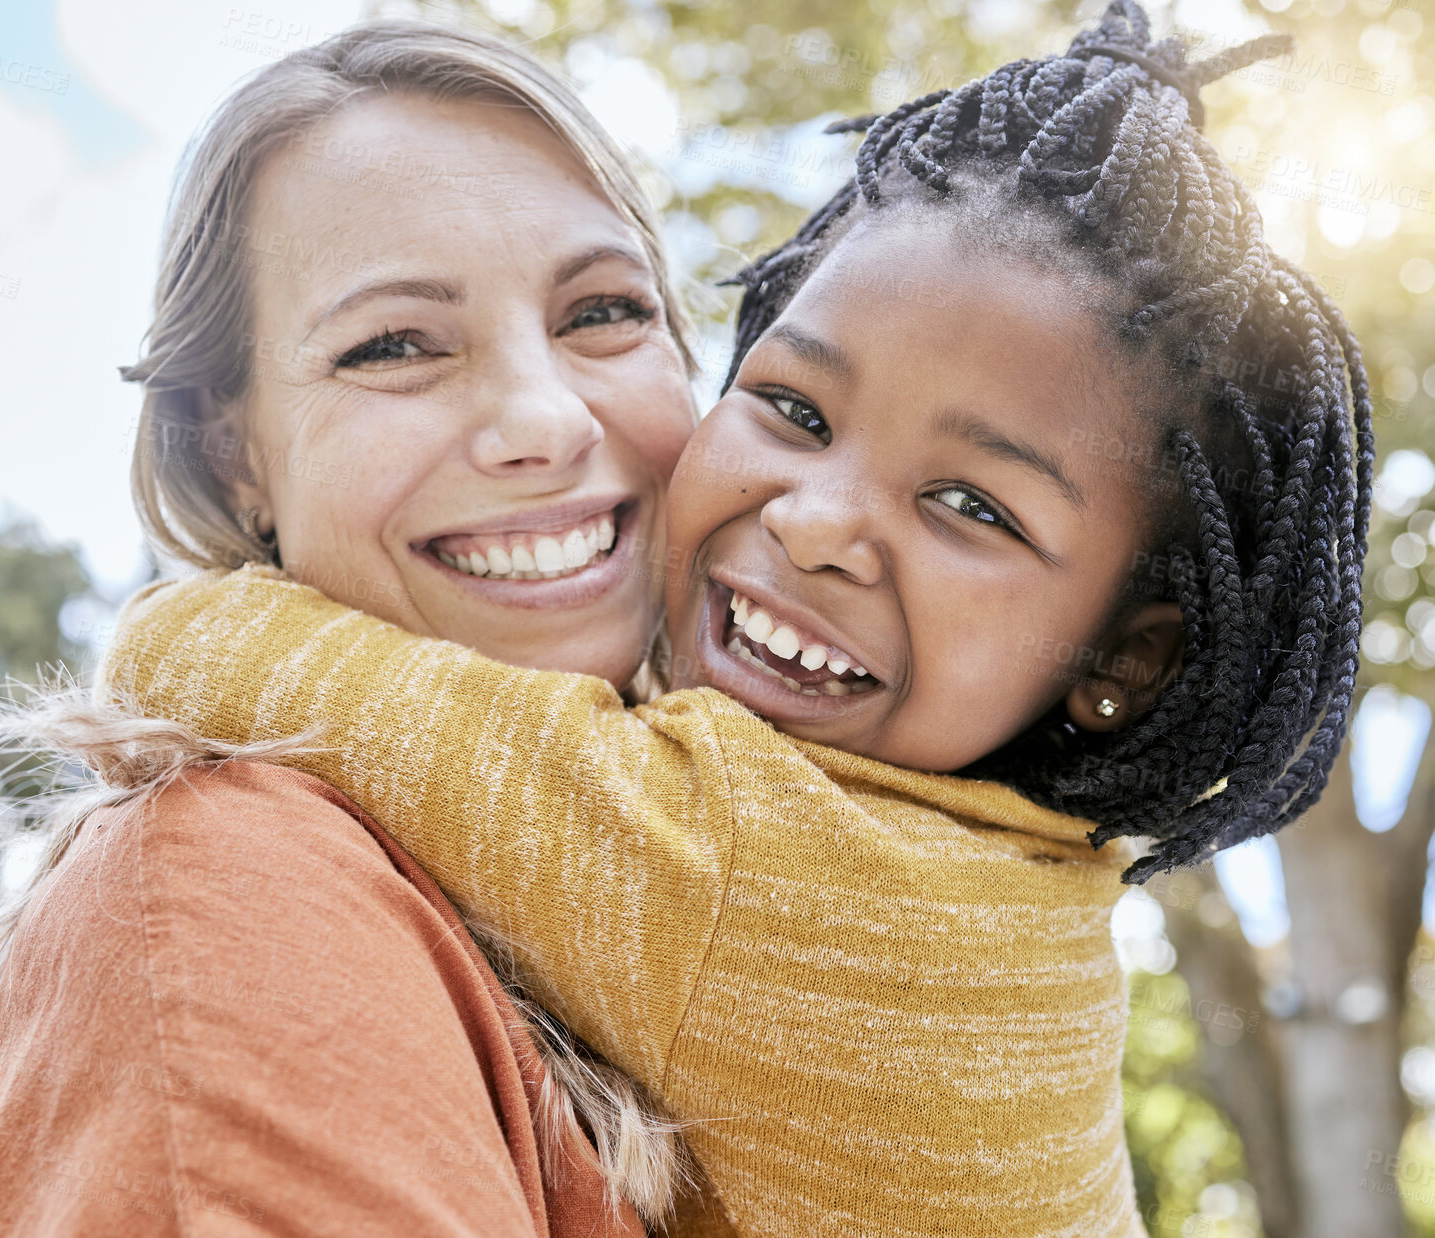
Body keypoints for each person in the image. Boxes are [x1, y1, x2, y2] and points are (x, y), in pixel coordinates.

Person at [91, 4, 1370, 1236]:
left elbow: (339, 695)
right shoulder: (998, 870)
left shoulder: (772, 885)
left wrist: (174, 624)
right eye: (796, 412)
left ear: (1124, 659)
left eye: (972, 503)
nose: (816, 520)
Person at [0, 21, 736, 1238]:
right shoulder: (229, 895)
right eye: (395, 343)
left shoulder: (730, 895)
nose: (546, 418)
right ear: (233, 453)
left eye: (605, 311)